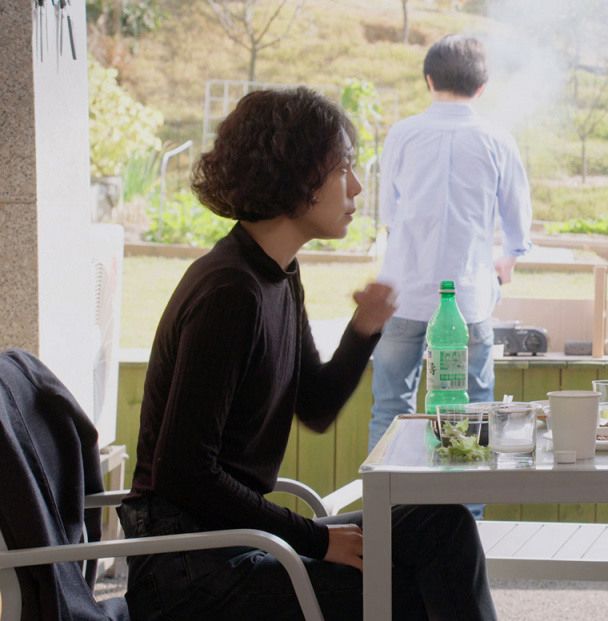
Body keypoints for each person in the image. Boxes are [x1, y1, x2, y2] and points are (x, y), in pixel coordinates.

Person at [118, 87, 497, 620]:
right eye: (342, 168)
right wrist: (316, 541)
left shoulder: (277, 275)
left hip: (234, 542)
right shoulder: (230, 293)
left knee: (442, 523)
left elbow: (315, 405)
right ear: (294, 177)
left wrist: (363, 330)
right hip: (190, 572)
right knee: (406, 593)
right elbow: (184, 472)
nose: (357, 186)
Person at [369, 34, 532, 451]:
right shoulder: (497, 139)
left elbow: (388, 213)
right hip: (469, 297)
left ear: (429, 80)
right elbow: (517, 218)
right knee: (474, 411)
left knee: (390, 407)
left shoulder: (403, 134)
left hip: (403, 293)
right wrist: (509, 258)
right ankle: (467, 495)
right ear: (482, 87)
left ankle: (386, 492)